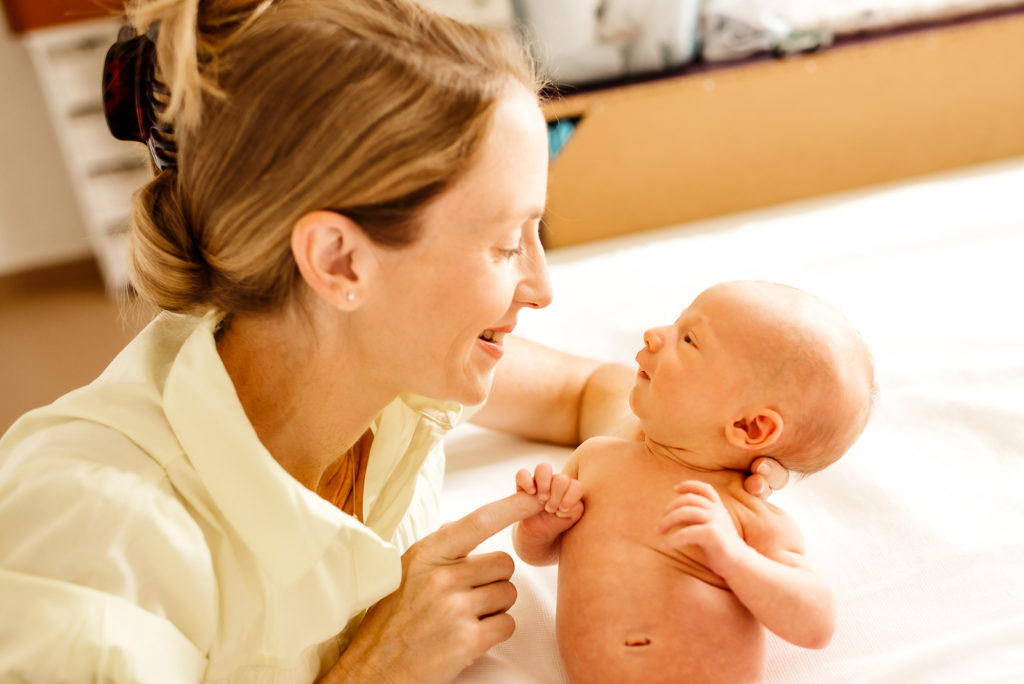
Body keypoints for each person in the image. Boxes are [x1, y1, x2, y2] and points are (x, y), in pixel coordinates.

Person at [0, 2, 787, 682]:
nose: (543, 288)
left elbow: (595, 393)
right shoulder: (102, 532)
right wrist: (378, 669)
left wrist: (654, 478)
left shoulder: (384, 364)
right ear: (340, 262)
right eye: (506, 244)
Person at [513, 280, 876, 684]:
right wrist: (542, 526)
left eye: (688, 339)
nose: (654, 334)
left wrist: (735, 560)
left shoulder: (741, 514)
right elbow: (537, 554)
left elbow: (815, 625)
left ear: (750, 426)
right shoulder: (596, 458)